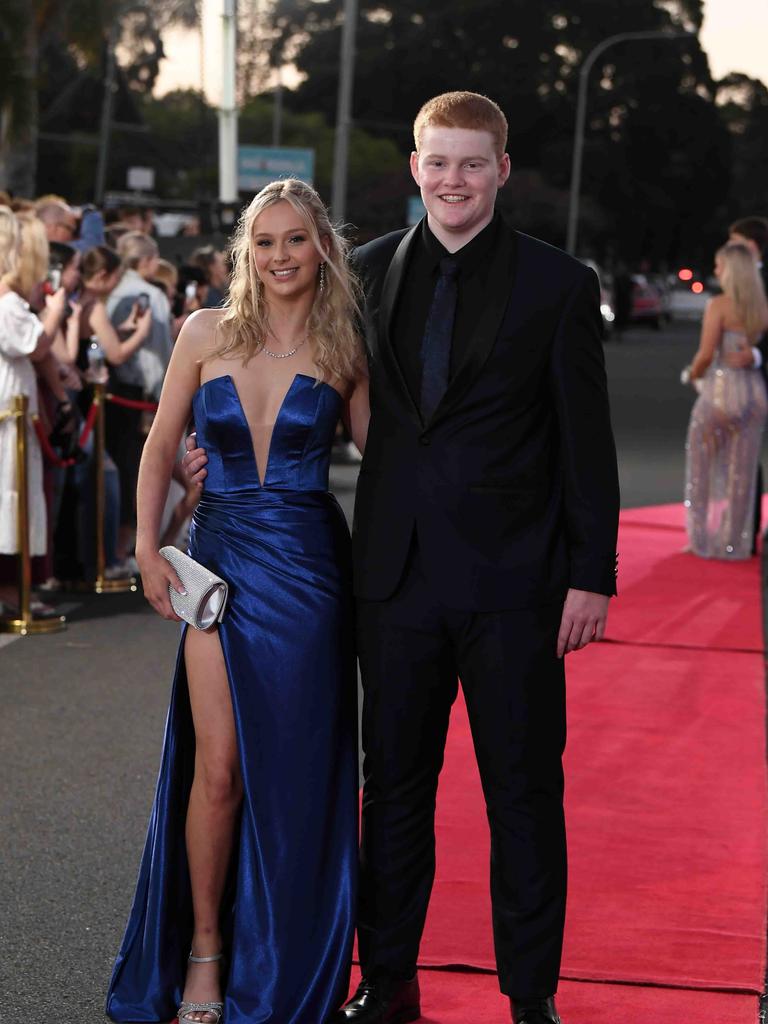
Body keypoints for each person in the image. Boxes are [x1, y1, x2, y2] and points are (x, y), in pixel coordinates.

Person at [185, 92, 620, 1024]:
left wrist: (593, 573)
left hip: (517, 587)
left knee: (523, 796)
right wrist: (212, 458)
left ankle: (530, 997)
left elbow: (589, 442)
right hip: (391, 584)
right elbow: (289, 361)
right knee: (393, 795)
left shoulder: (559, 284)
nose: (453, 179)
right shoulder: (366, 273)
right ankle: (389, 983)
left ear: (501, 169)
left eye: (472, 163)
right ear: (416, 168)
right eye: (438, 162)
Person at [106, 179, 369, 1024]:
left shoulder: (346, 342)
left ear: (321, 246)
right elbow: (155, 453)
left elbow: (394, 460)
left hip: (310, 573)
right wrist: (150, 548)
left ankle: (288, 955)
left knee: (292, 774)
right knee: (215, 770)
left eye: (296, 240)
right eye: (265, 242)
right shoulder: (203, 331)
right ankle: (206, 951)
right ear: (244, 252)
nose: (281, 256)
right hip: (217, 566)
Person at [0, 208, 68, 613]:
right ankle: (9, 590)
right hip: (10, 416)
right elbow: (36, 345)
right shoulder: (7, 303)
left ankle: (13, 590)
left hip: (17, 415)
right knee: (10, 501)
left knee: (16, 501)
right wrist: (57, 307)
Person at [684, 243, 768, 558]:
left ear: (730, 270)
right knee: (742, 471)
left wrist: (692, 373)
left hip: (721, 390)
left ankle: (700, 539)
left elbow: (706, 354)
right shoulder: (762, 306)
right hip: (755, 392)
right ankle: (735, 542)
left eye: (719, 265)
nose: (716, 271)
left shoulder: (719, 304)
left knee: (701, 465)